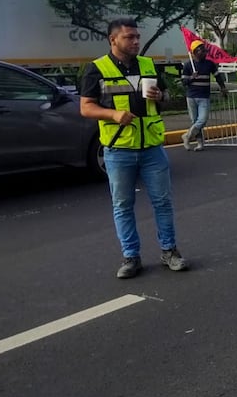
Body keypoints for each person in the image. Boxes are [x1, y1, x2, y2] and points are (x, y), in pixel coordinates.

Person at [79, 17, 188, 279]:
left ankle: (169, 251)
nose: (136, 41)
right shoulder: (96, 69)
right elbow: (85, 107)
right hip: (119, 149)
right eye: (129, 37)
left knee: (162, 202)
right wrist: (114, 115)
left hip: (151, 147)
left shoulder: (149, 65)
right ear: (113, 39)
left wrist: (161, 96)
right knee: (123, 205)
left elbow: (168, 96)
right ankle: (131, 257)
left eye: (137, 36)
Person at [180, 39, 227, 151]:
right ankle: (200, 143)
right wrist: (192, 77)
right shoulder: (188, 65)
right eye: (202, 50)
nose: (205, 52)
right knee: (195, 120)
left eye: (205, 50)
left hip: (204, 96)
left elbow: (218, 77)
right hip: (191, 96)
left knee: (202, 119)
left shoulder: (210, 64)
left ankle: (187, 136)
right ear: (195, 52)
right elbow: (183, 82)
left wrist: (223, 88)